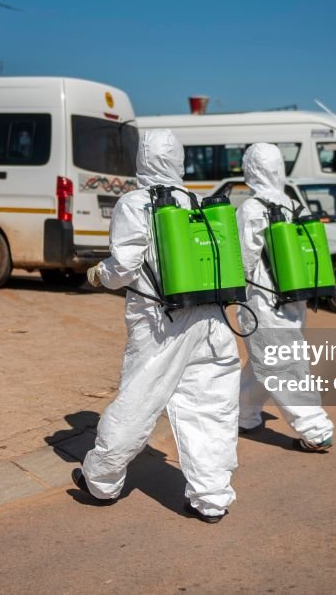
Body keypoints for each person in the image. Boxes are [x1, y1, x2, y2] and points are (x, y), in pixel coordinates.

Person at [75, 128, 241, 523]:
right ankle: (212, 498)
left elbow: (125, 266)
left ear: (143, 160)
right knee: (212, 409)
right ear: (178, 161)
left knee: (138, 401)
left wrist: (99, 274)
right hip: (212, 319)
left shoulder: (135, 203)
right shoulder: (199, 202)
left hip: (160, 323)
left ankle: (101, 480)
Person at [236, 143, 335, 451]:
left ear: (250, 169)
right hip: (294, 299)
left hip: (263, 301)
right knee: (266, 360)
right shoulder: (294, 205)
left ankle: (315, 430)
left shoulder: (251, 208)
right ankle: (243, 414)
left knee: (281, 365)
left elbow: (244, 260)